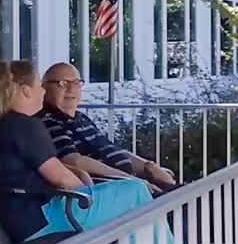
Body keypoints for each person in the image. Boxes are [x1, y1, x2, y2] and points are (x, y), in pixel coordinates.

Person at [0, 60, 164, 244]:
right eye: (38, 86)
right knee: (135, 190)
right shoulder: (24, 126)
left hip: (32, 213)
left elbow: (55, 172)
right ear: (24, 91)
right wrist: (94, 195)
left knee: (137, 223)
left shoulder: (11, 125)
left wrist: (91, 186)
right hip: (43, 218)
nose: (43, 92)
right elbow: (62, 179)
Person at [39, 62, 180, 193]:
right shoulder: (47, 121)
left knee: (190, 194)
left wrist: (150, 166)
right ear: (44, 87)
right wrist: (133, 180)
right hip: (111, 190)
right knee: (187, 206)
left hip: (130, 183)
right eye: (63, 83)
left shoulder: (82, 118)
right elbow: (73, 160)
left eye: (76, 83)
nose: (71, 89)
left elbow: (110, 148)